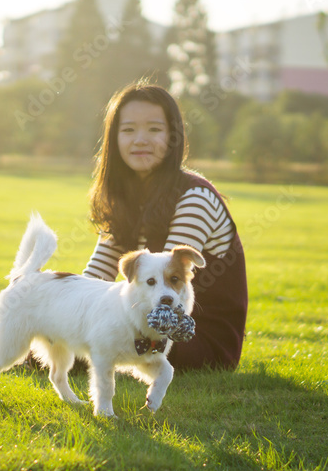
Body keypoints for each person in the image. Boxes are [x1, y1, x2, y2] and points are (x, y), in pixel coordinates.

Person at [83, 81, 248, 371]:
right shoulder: (123, 199)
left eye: (155, 130)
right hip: (141, 325)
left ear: (174, 137)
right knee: (55, 340)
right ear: (114, 138)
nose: (140, 140)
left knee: (83, 349)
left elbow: (170, 301)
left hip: (193, 335)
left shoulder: (195, 196)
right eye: (129, 130)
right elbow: (94, 280)